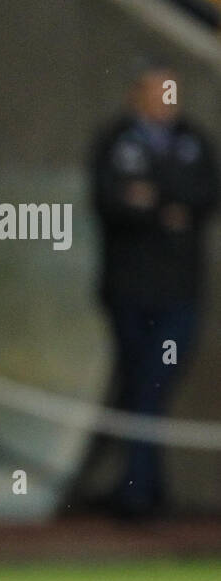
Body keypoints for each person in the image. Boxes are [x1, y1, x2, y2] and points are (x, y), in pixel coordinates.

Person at [75, 60, 218, 517]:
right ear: (139, 96)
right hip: (129, 289)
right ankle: (142, 492)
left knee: (152, 385)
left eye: (172, 92)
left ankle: (139, 492)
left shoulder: (194, 140)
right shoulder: (116, 139)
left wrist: (152, 197)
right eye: (158, 92)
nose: (166, 101)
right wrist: (167, 207)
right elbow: (111, 201)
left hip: (180, 292)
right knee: (139, 382)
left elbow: (205, 196)